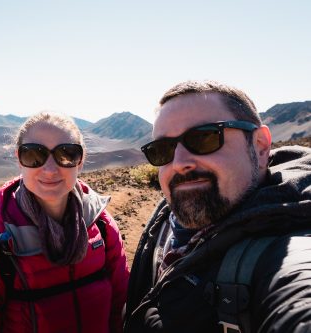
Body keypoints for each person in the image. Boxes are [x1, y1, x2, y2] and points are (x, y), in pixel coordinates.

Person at [124, 80, 311, 332]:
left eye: (204, 138)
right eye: (162, 150)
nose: (179, 163)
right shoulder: (167, 216)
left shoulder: (288, 250)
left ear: (261, 146)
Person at [0, 112, 129, 332]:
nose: (50, 169)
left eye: (66, 154)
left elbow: (121, 308)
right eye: (34, 155)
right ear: (19, 159)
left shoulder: (102, 227)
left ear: (80, 161)